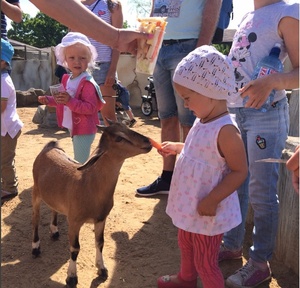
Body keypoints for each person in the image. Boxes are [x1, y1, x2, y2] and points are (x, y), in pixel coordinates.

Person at [218, 1, 299, 287]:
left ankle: (260, 262)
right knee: (236, 181)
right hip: (236, 112)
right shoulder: (249, 16)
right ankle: (232, 244)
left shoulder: (288, 11)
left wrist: (272, 82)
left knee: (261, 192)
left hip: (265, 115)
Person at [156, 45, 248, 288]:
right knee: (185, 243)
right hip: (190, 205)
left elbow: (240, 171)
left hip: (208, 211)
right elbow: (197, 149)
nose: (185, 105)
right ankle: (186, 278)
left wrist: (212, 199)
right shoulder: (202, 119)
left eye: (187, 97)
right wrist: (178, 147)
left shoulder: (226, 130)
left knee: (206, 261)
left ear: (209, 90)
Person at [136, 0, 222, 196]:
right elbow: (154, 10)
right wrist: (146, 43)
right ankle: (168, 178)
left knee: (190, 119)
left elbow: (213, 5)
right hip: (158, 46)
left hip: (188, 46)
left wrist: (200, 50)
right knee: (166, 117)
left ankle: (191, 180)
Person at [38, 32, 106, 164]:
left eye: (82, 58)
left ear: (89, 59)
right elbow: (62, 101)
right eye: (72, 57)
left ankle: (83, 184)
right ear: (65, 60)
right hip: (75, 127)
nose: (77, 61)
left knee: (80, 162)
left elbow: (91, 108)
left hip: (85, 129)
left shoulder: (87, 83)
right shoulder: (67, 79)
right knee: (80, 160)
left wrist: (70, 101)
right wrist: (49, 100)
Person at [29, 0, 152, 55]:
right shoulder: (80, 5)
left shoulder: (111, 5)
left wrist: (116, 38)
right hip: (82, 62)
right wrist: (116, 38)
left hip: (104, 63)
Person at [81, 0, 122, 125]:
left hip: (104, 65)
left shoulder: (112, 5)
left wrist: (112, 69)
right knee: (82, 115)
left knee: (108, 117)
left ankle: (114, 145)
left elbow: (118, 40)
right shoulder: (77, 6)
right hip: (82, 66)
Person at [1, 38, 24, 204]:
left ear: (3, 61)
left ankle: (10, 187)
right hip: (4, 128)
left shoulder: (3, 81)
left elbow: (1, 106)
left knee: (5, 160)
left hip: (8, 129)